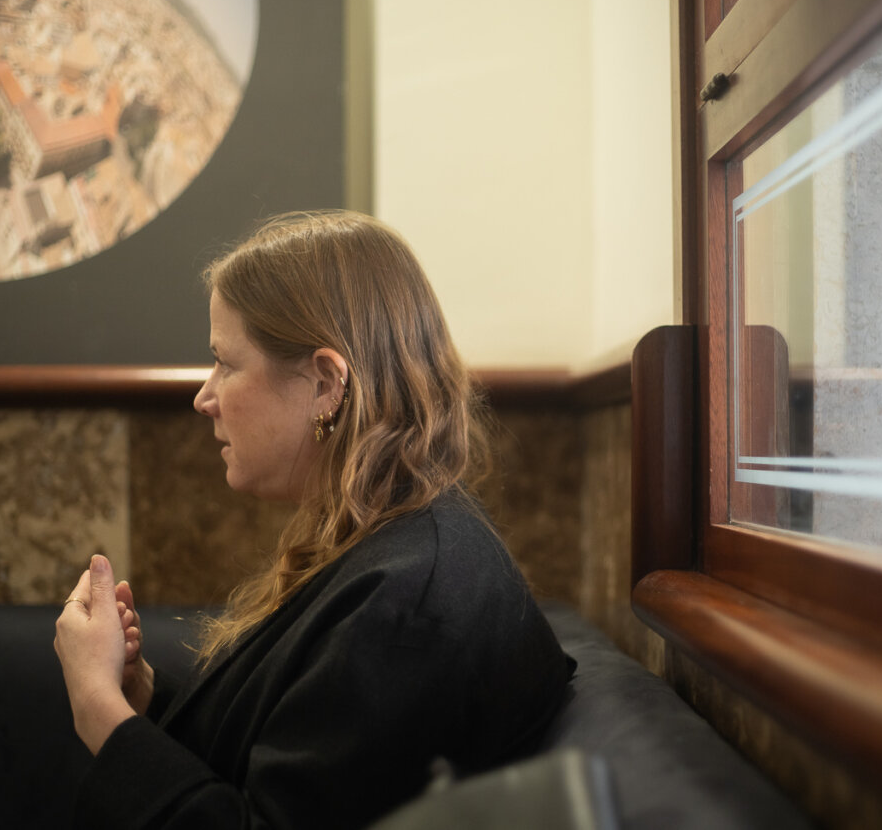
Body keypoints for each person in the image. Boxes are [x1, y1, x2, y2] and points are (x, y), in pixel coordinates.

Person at [53, 210, 573, 829]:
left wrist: (99, 709)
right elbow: (293, 754)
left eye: (226, 362)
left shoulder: (407, 605)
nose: (205, 397)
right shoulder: (392, 544)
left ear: (326, 384)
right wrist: (144, 696)